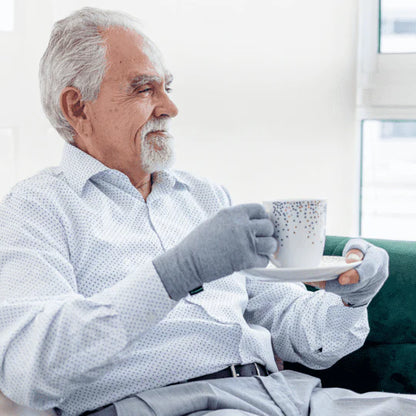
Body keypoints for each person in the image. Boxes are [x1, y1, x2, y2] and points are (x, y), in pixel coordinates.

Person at [0, 7, 413, 416]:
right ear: (77, 107)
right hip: (164, 403)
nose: (169, 108)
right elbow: (29, 370)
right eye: (144, 89)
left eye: (168, 88)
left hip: (282, 395)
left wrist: (351, 301)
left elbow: (294, 326)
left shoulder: (203, 195)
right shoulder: (38, 208)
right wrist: (177, 272)